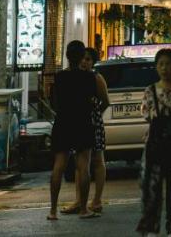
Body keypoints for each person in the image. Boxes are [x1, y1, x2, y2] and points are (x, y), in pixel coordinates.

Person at [137, 48, 171, 236]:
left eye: (168, 64)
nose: (164, 68)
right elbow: (147, 115)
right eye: (160, 64)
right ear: (156, 67)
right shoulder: (149, 91)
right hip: (155, 146)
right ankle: (152, 228)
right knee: (152, 189)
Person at [48, 40, 97, 220]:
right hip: (83, 122)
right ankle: (84, 209)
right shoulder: (89, 77)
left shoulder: (60, 77)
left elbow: (54, 102)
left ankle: (52, 211)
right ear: (81, 57)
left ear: (67, 56)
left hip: (63, 122)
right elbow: (94, 99)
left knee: (58, 166)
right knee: (83, 166)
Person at [73, 48, 110, 216]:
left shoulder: (96, 77)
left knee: (97, 160)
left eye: (88, 59)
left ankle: (97, 200)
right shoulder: (74, 77)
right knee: (80, 163)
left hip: (94, 123)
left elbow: (105, 101)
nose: (84, 62)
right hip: (79, 123)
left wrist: (95, 114)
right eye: (82, 58)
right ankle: (79, 200)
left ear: (93, 62)